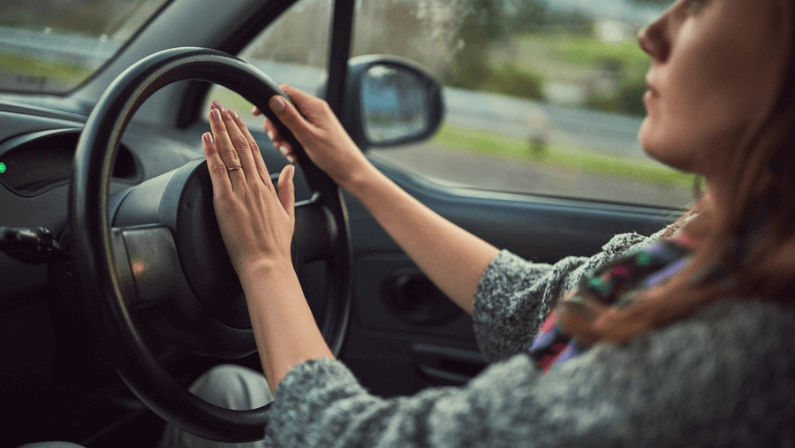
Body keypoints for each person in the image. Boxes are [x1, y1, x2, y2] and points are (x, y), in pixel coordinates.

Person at [166, 0, 795, 446]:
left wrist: (265, 263)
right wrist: (358, 174)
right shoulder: (708, 252)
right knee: (227, 387)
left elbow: (346, 438)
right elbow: (530, 305)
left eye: (700, 6)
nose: (651, 34)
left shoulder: (738, 341)